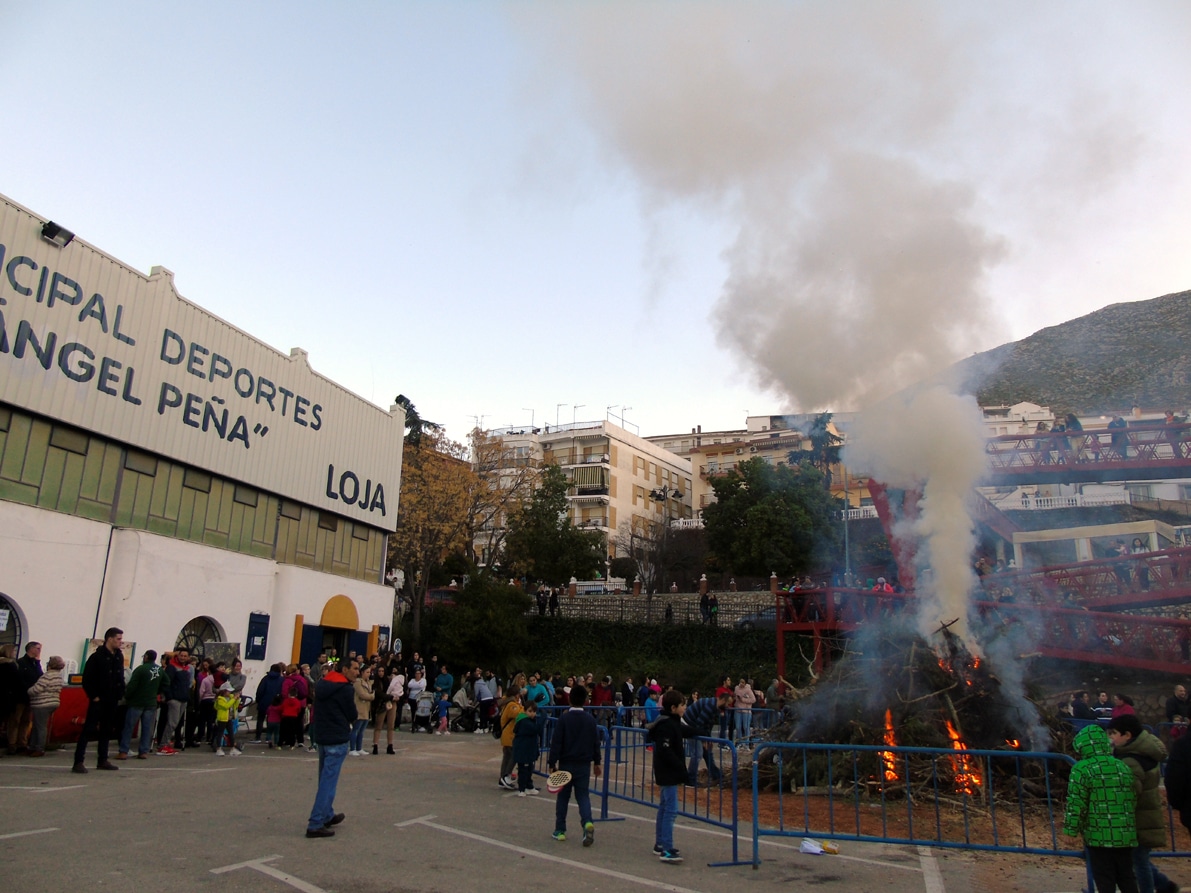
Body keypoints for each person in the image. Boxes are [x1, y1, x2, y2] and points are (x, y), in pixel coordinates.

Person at [1063, 724, 1139, 893]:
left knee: (1105, 880)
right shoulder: (1122, 767)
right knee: (1127, 878)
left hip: (1098, 836)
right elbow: (1132, 797)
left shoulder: (1082, 769)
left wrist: (1070, 829)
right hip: (1124, 835)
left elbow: (1076, 802)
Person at [1107, 714, 1175, 893]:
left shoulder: (1130, 760)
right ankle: (1164, 885)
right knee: (1138, 859)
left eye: (1113, 733)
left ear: (1127, 735)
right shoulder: (1146, 750)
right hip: (1146, 815)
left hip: (1137, 818)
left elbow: (1129, 790)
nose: (1110, 738)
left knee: (1139, 862)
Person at [305, 657, 358, 838]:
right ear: (344, 669)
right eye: (355, 668)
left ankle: (327, 814)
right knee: (328, 782)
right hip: (337, 736)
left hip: (323, 736)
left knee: (324, 779)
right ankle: (316, 822)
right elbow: (352, 713)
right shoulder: (345, 689)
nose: (357, 672)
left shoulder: (322, 684)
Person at [548, 684, 601, 846]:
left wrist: (552, 762)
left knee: (563, 797)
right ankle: (587, 822)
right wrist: (597, 762)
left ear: (570, 699)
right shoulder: (591, 720)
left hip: (566, 763)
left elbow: (556, 742)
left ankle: (560, 830)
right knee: (583, 796)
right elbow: (595, 743)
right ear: (586, 700)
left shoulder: (564, 719)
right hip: (584, 764)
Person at [647, 689, 692, 863]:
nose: (685, 708)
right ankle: (666, 848)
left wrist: (700, 731)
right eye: (683, 705)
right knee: (670, 810)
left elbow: (685, 730)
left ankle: (661, 843)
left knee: (665, 807)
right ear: (673, 707)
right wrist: (681, 768)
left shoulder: (671, 721)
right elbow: (665, 749)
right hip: (668, 772)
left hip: (668, 771)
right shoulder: (666, 725)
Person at [73, 627, 126, 774]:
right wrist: (94, 696)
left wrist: (120, 692)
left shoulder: (118, 656)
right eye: (118, 639)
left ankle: (102, 759)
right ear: (110, 639)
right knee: (88, 729)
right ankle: (78, 761)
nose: (120, 642)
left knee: (106, 730)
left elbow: (119, 676)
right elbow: (87, 679)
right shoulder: (97, 657)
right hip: (99, 699)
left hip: (112, 698)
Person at [119, 649, 163, 760]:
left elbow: (132, 686)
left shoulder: (140, 669)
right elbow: (166, 683)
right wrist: (156, 692)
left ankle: (123, 751)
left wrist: (127, 697)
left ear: (146, 657)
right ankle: (143, 751)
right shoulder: (159, 670)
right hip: (151, 702)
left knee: (129, 727)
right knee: (147, 728)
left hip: (137, 702)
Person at [685, 691, 731, 785]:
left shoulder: (715, 707)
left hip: (695, 726)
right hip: (689, 725)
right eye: (727, 703)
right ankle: (690, 778)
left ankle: (716, 774)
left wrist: (708, 739)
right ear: (722, 700)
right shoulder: (710, 706)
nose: (727, 706)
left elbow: (708, 725)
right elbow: (700, 724)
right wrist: (704, 740)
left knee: (707, 752)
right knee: (698, 753)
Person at [26, 655, 65, 757]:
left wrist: (28, 691)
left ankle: (39, 748)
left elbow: (37, 689)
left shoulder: (47, 675)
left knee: (40, 727)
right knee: (38, 726)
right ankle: (32, 746)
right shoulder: (59, 676)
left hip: (42, 703)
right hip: (54, 702)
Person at [157, 648, 193, 754]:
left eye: (185, 656)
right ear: (178, 656)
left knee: (176, 723)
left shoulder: (187, 668)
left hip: (183, 699)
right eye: (181, 655)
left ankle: (167, 743)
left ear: (188, 657)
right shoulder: (172, 667)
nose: (183, 658)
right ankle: (163, 744)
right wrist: (170, 697)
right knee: (172, 723)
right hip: (174, 699)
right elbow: (167, 682)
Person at [11, 641, 42, 753]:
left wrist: (38, 662)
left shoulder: (35, 663)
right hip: (20, 696)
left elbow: (40, 676)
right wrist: (28, 689)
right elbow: (19, 679)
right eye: (38, 648)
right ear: (31, 648)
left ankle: (22, 743)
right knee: (16, 720)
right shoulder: (21, 663)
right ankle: (12, 743)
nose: (39, 651)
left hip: (31, 697)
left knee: (26, 720)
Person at [512, 701, 541, 796]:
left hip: (527, 749)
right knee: (524, 769)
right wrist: (543, 718)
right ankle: (522, 788)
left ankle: (529, 786)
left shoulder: (527, 720)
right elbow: (536, 729)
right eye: (530, 711)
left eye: (534, 711)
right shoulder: (524, 722)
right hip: (523, 750)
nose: (533, 713)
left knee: (529, 768)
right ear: (525, 711)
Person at [497, 685, 523, 790]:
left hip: (507, 735)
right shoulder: (512, 705)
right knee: (513, 756)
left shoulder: (505, 702)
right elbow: (519, 714)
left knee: (507, 757)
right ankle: (506, 776)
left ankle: (502, 778)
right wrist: (523, 707)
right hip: (510, 735)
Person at [254, 663, 284, 742]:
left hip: (263, 701)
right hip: (276, 702)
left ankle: (258, 737)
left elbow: (260, 690)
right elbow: (282, 691)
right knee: (272, 719)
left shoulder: (265, 678)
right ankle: (269, 737)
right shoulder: (281, 679)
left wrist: (258, 700)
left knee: (260, 719)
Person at [212, 682, 241, 755]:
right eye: (228, 691)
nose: (230, 692)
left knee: (231, 734)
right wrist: (234, 699)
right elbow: (226, 706)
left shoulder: (231, 697)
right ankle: (219, 748)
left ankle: (233, 748)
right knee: (220, 733)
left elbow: (235, 705)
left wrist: (236, 699)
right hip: (222, 718)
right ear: (224, 691)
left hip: (229, 718)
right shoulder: (220, 699)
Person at [350, 663, 374, 755]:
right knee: (356, 729)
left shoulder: (368, 682)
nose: (369, 674)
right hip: (359, 708)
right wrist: (372, 696)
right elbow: (362, 695)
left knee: (362, 730)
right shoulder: (357, 682)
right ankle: (352, 749)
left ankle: (359, 748)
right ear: (362, 672)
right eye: (367, 672)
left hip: (366, 708)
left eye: (369, 672)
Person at [734, 677, 757, 743]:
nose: (741, 684)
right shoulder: (736, 688)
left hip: (746, 711)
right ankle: (740, 742)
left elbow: (753, 700)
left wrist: (743, 700)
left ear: (745, 683)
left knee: (746, 727)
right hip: (738, 710)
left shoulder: (748, 690)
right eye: (740, 682)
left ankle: (747, 743)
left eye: (743, 682)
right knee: (738, 727)